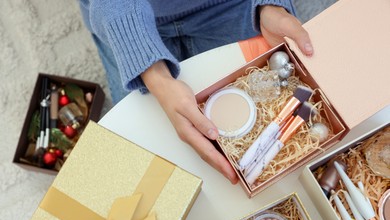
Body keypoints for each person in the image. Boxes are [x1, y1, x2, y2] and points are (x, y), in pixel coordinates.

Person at [78, 0, 313, 184]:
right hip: (122, 14)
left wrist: (270, 5)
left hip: (234, 7)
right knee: (136, 146)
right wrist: (155, 76)